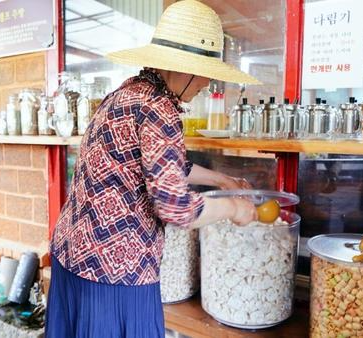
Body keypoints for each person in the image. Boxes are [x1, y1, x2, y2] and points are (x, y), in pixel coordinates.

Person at [46, 1, 262, 337]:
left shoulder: (129, 93)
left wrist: (221, 178)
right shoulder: (160, 107)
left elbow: (161, 164)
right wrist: (235, 208)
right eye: (207, 74)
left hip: (72, 253)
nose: (208, 83)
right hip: (114, 272)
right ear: (185, 68)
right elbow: (175, 207)